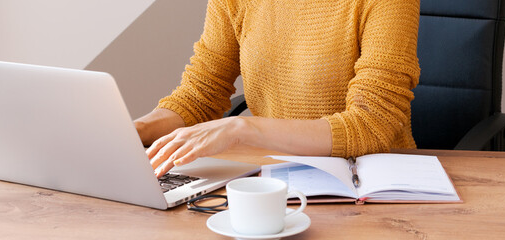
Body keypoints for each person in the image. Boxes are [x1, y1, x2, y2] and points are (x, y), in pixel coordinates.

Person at [135, 0, 421, 178]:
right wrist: (134, 130)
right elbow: (201, 94)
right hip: (276, 175)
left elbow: (373, 124)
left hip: (372, 182)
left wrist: (243, 129)